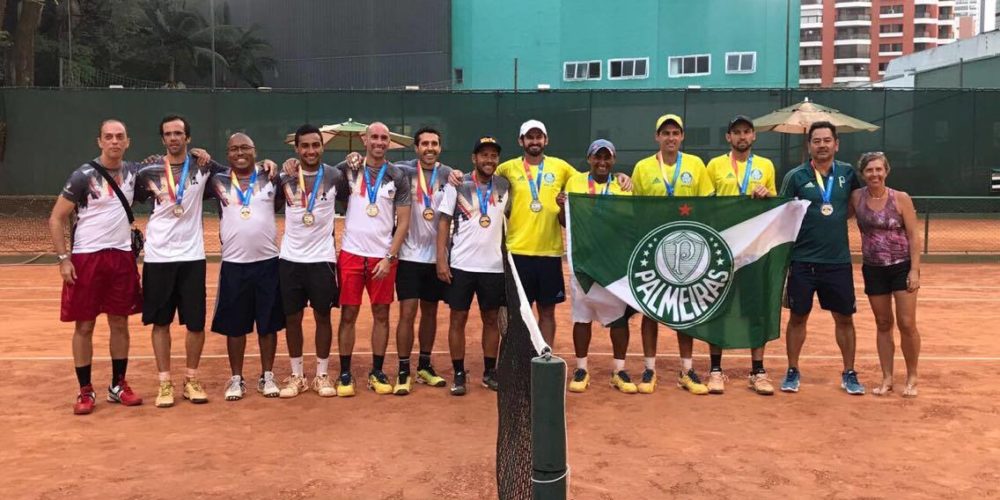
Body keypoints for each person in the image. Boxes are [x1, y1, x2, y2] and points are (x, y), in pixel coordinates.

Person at [49, 119, 144, 415]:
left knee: (120, 322)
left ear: (127, 142)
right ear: (99, 141)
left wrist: (199, 155)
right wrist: (63, 259)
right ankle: (85, 389)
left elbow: (172, 165)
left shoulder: (136, 172)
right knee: (85, 325)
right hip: (86, 258)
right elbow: (56, 218)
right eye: (108, 137)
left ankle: (118, 385)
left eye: (119, 137)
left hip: (121, 257)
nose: (114, 141)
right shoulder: (82, 176)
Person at [135, 115, 225, 408]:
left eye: (178, 133)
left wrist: (270, 165)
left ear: (188, 138)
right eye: (168, 134)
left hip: (192, 256)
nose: (173, 138)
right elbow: (126, 197)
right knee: (160, 323)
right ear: (162, 139)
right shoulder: (147, 170)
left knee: (195, 324)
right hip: (158, 256)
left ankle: (191, 380)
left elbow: (237, 173)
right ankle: (165, 383)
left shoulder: (204, 167)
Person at [630, 114, 715, 395]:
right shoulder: (642, 167)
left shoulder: (695, 165)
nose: (670, 138)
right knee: (650, 309)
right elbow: (634, 208)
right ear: (657, 137)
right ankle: (649, 368)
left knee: (684, 309)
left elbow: (707, 204)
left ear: (682, 137)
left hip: (687, 248)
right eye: (665, 133)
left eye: (675, 133)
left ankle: (686, 370)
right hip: (653, 248)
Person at [778, 121, 865, 395]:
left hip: (837, 261)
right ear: (809, 146)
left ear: (836, 144)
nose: (822, 145)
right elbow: (782, 213)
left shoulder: (848, 173)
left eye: (827, 140)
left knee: (844, 319)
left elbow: (853, 206)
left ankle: (849, 372)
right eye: (816, 141)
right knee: (797, 317)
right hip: (802, 261)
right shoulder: (795, 176)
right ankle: (792, 369)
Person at [207, 133, 286, 401]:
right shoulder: (217, 180)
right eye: (234, 149)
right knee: (235, 326)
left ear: (255, 151)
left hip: (268, 262)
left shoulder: (271, 177)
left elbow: (291, 177)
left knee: (268, 324)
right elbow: (190, 167)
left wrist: (276, 164)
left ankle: (267, 375)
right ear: (227, 154)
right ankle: (236, 378)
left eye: (245, 148)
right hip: (234, 264)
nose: (239, 153)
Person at [556, 139, 638, 394]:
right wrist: (561, 207)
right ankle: (581, 368)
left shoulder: (623, 186)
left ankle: (619, 370)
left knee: (618, 319)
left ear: (613, 160)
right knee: (582, 318)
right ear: (589, 159)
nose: (602, 162)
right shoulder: (575, 182)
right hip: (583, 261)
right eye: (597, 157)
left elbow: (630, 223)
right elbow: (565, 221)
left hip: (613, 264)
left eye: (607, 157)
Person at [703, 115, 778, 396]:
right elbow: (707, 205)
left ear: (754, 136)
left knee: (755, 310)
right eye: (736, 132)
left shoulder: (766, 166)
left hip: (755, 251)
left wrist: (767, 194)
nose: (742, 136)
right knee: (719, 309)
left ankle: (757, 371)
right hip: (723, 250)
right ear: (728, 137)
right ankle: (715, 370)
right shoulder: (714, 165)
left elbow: (775, 205)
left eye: (747, 131)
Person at [336, 122, 411, 397]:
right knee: (348, 314)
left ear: (388, 143)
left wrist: (389, 257)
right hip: (351, 254)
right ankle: (345, 373)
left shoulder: (397, 175)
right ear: (364, 140)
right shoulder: (347, 169)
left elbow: (403, 221)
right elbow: (318, 174)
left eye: (384, 138)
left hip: (382, 257)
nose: (379, 142)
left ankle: (376, 371)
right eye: (374, 137)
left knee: (382, 314)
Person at [275, 124, 348, 398]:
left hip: (322, 260)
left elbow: (351, 198)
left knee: (322, 316)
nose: (310, 150)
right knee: (292, 318)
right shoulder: (284, 177)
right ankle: (297, 376)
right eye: (304, 146)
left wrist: (353, 158)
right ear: (296, 149)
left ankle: (321, 375)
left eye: (315, 145)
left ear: (322, 147)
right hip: (290, 259)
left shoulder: (335, 176)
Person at [436, 136, 511, 395]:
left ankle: (490, 372)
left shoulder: (504, 186)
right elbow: (444, 222)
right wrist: (441, 259)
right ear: (474, 158)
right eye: (484, 155)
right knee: (458, 319)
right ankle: (459, 373)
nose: (489, 160)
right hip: (461, 265)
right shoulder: (457, 185)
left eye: (493, 155)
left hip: (494, 267)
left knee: (491, 320)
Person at [852, 152, 921, 397]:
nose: (874, 174)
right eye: (869, 170)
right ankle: (887, 378)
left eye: (878, 169)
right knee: (883, 323)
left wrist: (914, 270)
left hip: (901, 266)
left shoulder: (901, 198)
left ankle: (912, 376)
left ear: (886, 171)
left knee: (906, 323)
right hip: (873, 269)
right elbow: (834, 216)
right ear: (863, 174)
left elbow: (913, 236)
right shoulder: (856, 198)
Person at [390, 127, 454, 394]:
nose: (430, 148)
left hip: (436, 257)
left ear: (440, 147)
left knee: (430, 312)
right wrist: (352, 159)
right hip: (408, 256)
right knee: (407, 313)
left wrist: (442, 258)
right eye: (425, 144)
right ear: (416, 148)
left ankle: (425, 367)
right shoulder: (403, 171)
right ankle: (404, 370)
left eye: (434, 143)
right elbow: (376, 166)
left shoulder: (449, 175)